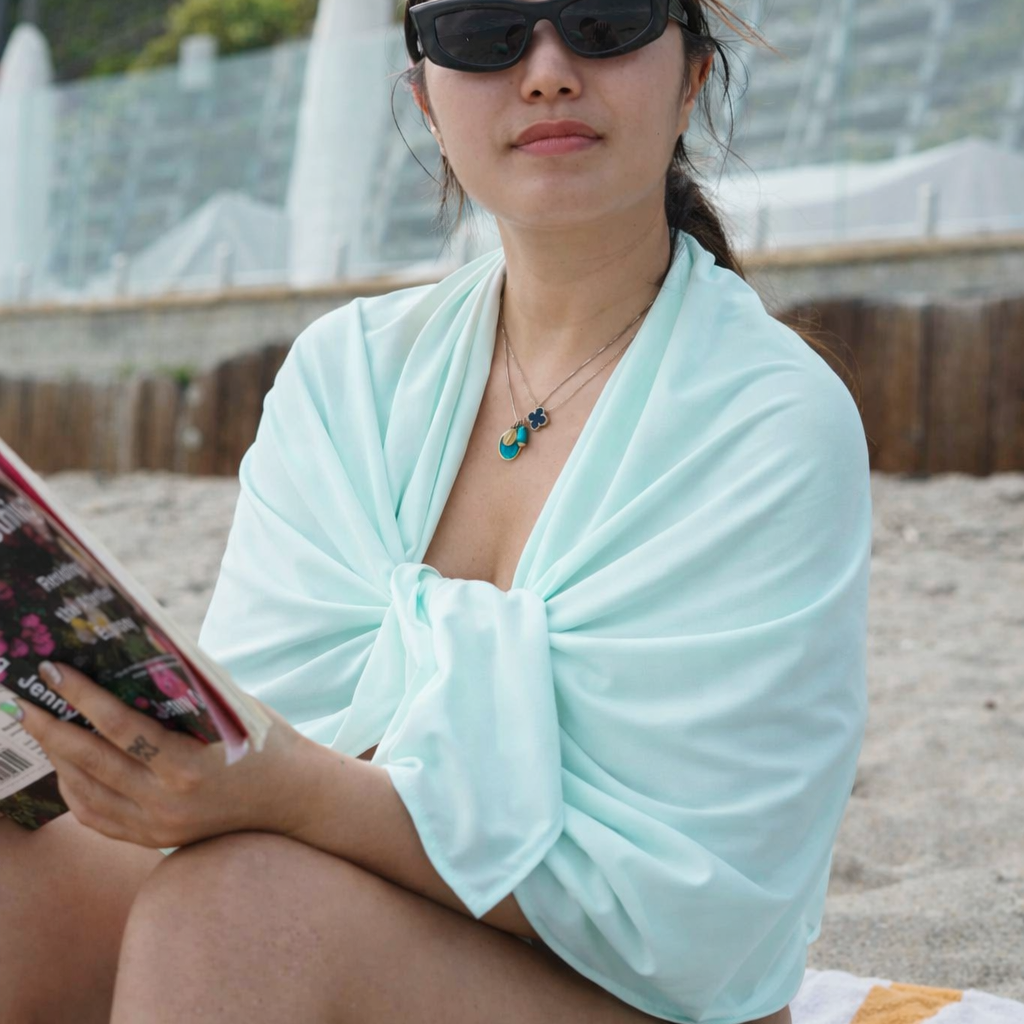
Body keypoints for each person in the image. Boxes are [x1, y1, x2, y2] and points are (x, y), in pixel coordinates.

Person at [1, 2, 872, 1022]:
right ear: (424, 95)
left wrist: (290, 791)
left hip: (639, 995)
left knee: (237, 908)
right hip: (361, 906)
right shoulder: (352, 373)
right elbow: (263, 741)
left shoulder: (767, 418)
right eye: (482, 31)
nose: (545, 71)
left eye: (602, 19)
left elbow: (689, 921)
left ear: (691, 78)